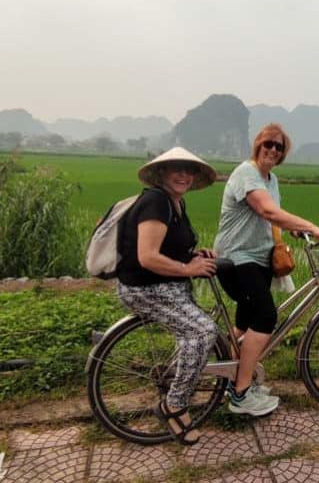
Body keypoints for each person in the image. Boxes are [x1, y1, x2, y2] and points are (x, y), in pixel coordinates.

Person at [214, 123, 319, 416]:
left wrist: (294, 231)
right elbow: (267, 210)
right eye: (268, 143)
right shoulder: (247, 173)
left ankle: (232, 378)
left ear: (283, 153)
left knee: (243, 325)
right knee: (266, 318)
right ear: (258, 144)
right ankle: (241, 395)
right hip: (237, 260)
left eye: (279, 147)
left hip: (258, 262)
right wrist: (312, 227)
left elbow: (272, 217)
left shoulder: (271, 180)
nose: (272, 150)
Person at [115, 147, 218, 445]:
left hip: (166, 286)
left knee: (197, 330)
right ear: (161, 173)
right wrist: (189, 268)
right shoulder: (156, 202)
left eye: (190, 170)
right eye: (177, 169)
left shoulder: (176, 203)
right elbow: (147, 257)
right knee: (202, 331)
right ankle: (173, 405)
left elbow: (168, 248)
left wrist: (196, 256)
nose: (184, 175)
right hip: (145, 288)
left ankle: (181, 381)